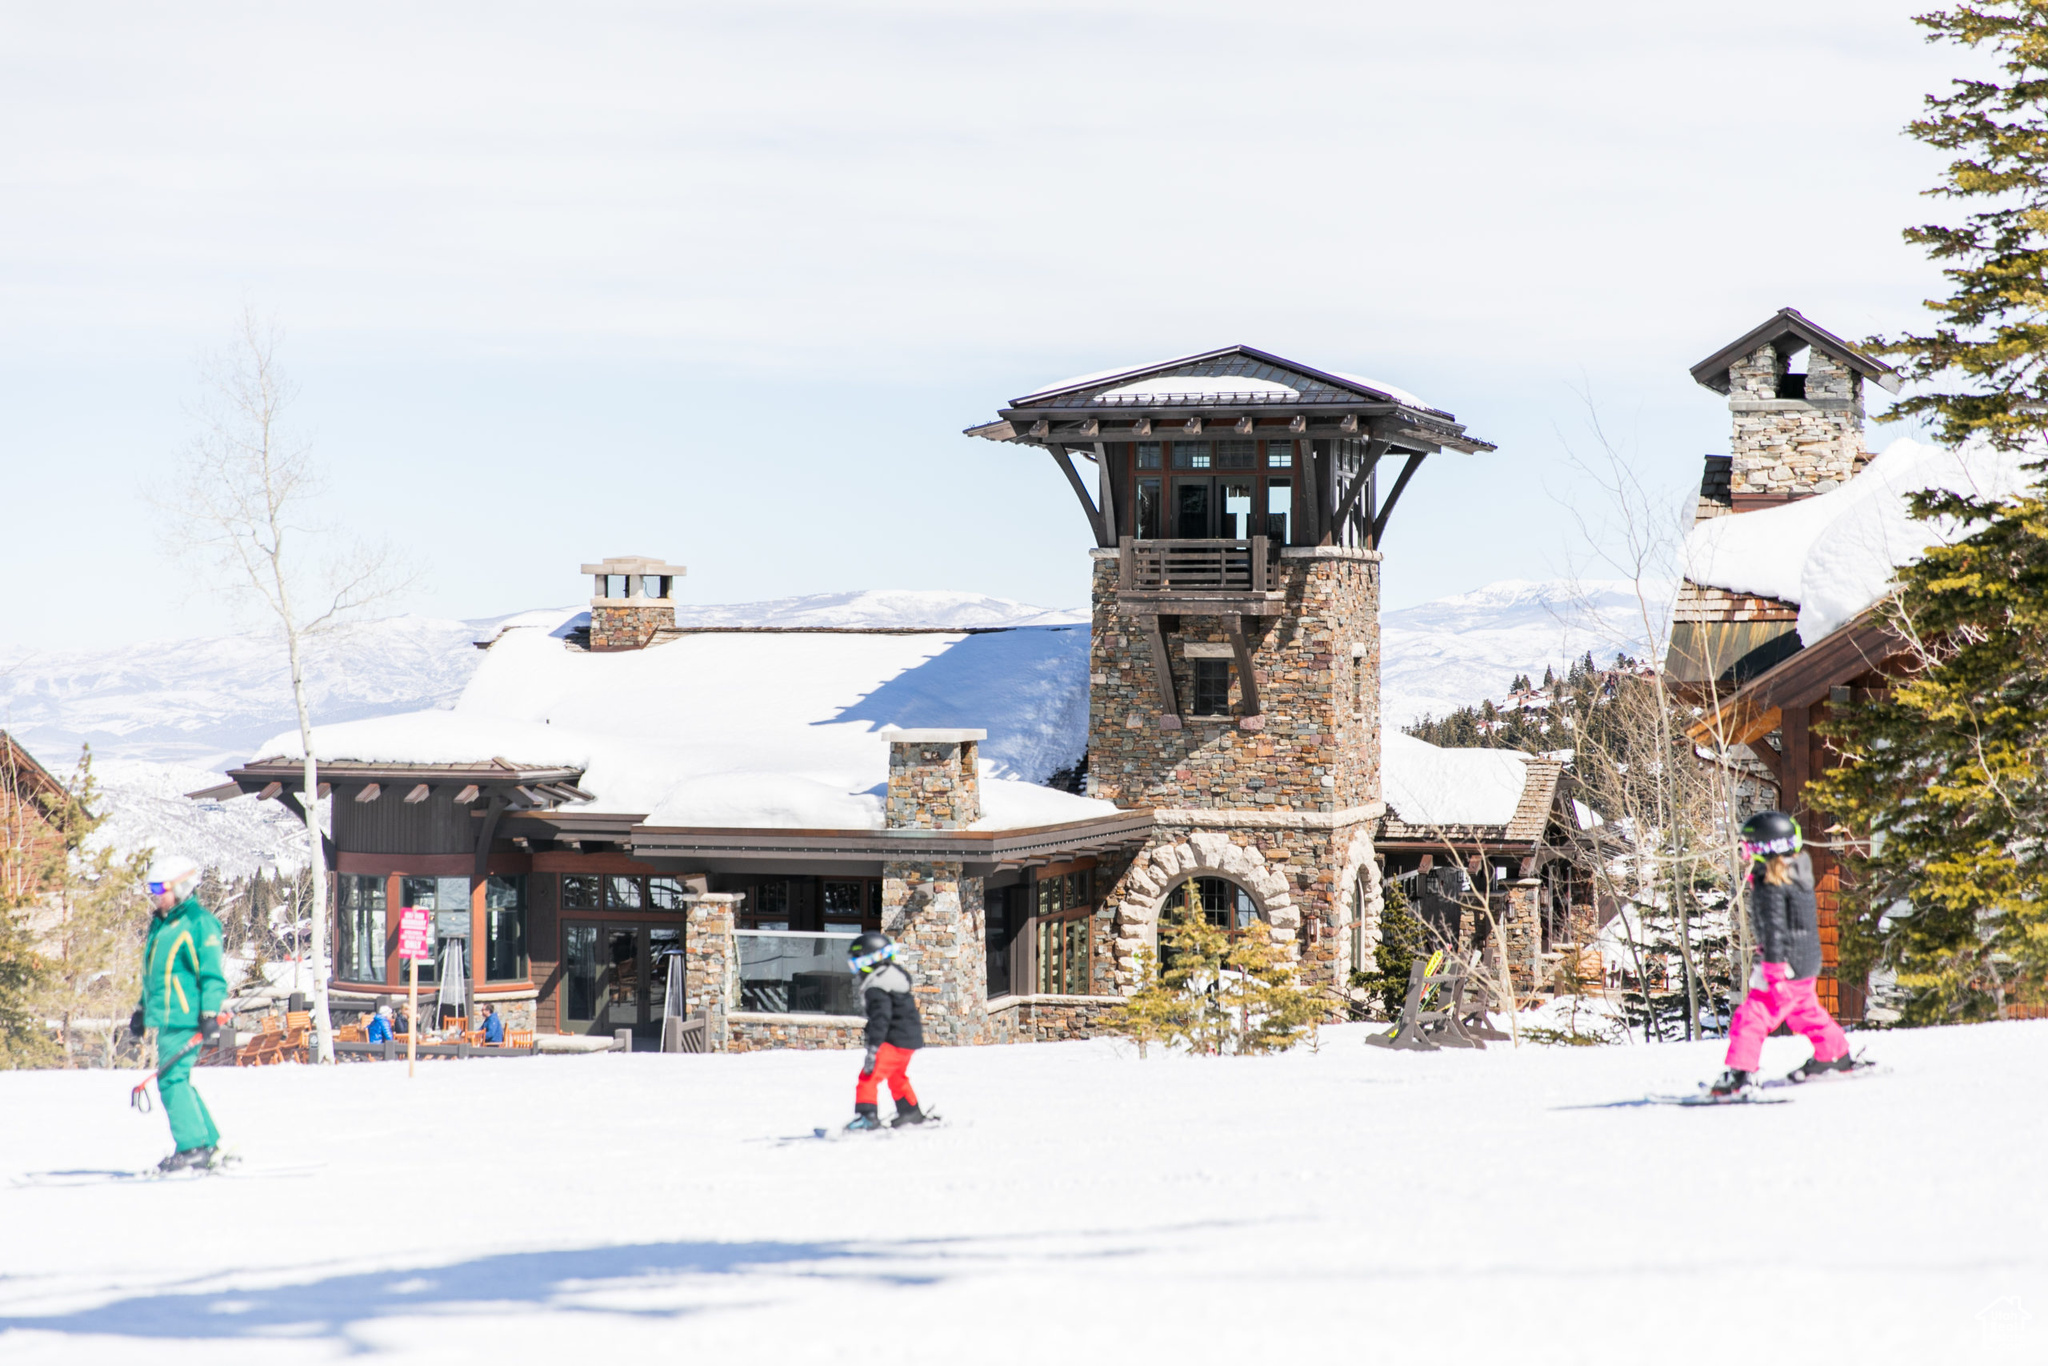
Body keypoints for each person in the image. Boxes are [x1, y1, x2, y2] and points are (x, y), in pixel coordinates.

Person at [1710, 811, 1855, 1098]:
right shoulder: (1797, 872)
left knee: (1752, 1018)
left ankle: (1740, 1075)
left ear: (1765, 847)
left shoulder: (1770, 885)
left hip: (1784, 967)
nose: (1744, 850)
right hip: (1805, 963)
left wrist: (1774, 971)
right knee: (1806, 1014)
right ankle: (1835, 1056)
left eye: (1748, 844)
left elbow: (1776, 931)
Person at [128, 853, 229, 1172]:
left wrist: (210, 1012)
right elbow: (155, 974)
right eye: (152, 889)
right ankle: (207, 1141)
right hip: (166, 1016)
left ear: (182, 887)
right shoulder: (163, 925)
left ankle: (193, 1147)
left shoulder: (198, 923)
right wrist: (142, 1010)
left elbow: (212, 973)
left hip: (187, 1017)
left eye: (162, 888)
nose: (157, 895)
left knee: (171, 1080)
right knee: (177, 1078)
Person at [846, 932, 926, 1130]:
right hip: (908, 1041)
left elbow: (881, 1019)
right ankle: (910, 1112)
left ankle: (867, 1117)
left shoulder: (877, 987)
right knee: (896, 1076)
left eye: (857, 961)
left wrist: (874, 1047)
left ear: (870, 959)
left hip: (894, 1041)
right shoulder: (893, 977)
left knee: (868, 1076)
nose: (855, 968)